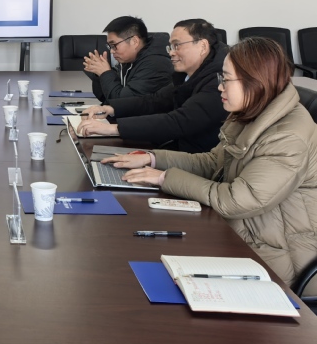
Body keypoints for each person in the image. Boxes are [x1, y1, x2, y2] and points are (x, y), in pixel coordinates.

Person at [101, 37, 317, 287]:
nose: (219, 87)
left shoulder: (287, 137)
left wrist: (163, 177)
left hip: (276, 258)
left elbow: (236, 201)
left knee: (145, 272)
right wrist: (153, 158)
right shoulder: (251, 111)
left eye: (226, 79)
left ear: (255, 81)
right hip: (239, 233)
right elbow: (214, 162)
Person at [77, 19, 229, 152]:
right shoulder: (188, 74)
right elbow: (155, 100)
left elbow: (178, 121)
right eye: (171, 47)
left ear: (203, 46)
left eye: (177, 46)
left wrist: (113, 129)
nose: (171, 53)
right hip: (181, 149)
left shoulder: (220, 80)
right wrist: (110, 109)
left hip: (201, 160)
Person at [83, 15, 173, 102]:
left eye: (114, 45)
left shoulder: (154, 65)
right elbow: (105, 98)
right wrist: (99, 74)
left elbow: (122, 102)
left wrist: (105, 73)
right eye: (110, 46)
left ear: (134, 41)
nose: (112, 51)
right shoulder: (129, 60)